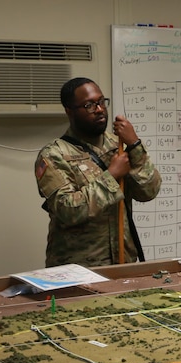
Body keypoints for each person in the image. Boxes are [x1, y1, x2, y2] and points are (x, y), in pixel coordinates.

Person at [35, 77, 161, 267]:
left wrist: (135, 145)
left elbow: (148, 192)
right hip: (78, 269)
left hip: (122, 262)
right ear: (69, 111)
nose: (100, 109)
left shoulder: (117, 144)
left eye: (101, 102)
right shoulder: (54, 155)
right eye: (89, 105)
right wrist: (111, 176)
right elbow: (68, 210)